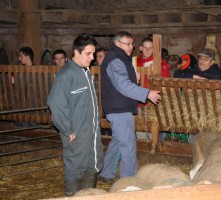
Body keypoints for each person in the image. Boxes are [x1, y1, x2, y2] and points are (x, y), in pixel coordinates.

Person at [99, 31, 161, 181]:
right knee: (128, 146)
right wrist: (147, 94)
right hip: (119, 108)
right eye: (128, 44)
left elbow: (122, 82)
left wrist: (135, 78)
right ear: (118, 44)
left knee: (118, 141)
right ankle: (129, 182)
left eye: (132, 44)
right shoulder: (115, 60)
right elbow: (123, 85)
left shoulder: (120, 58)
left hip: (119, 107)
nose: (131, 47)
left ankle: (106, 173)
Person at [47, 33, 104, 197]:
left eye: (93, 53)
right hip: (76, 133)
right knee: (75, 167)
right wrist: (67, 129)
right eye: (88, 54)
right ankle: (71, 196)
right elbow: (55, 103)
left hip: (90, 131)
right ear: (76, 52)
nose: (92, 58)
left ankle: (88, 195)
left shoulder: (84, 71)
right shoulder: (67, 74)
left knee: (92, 163)